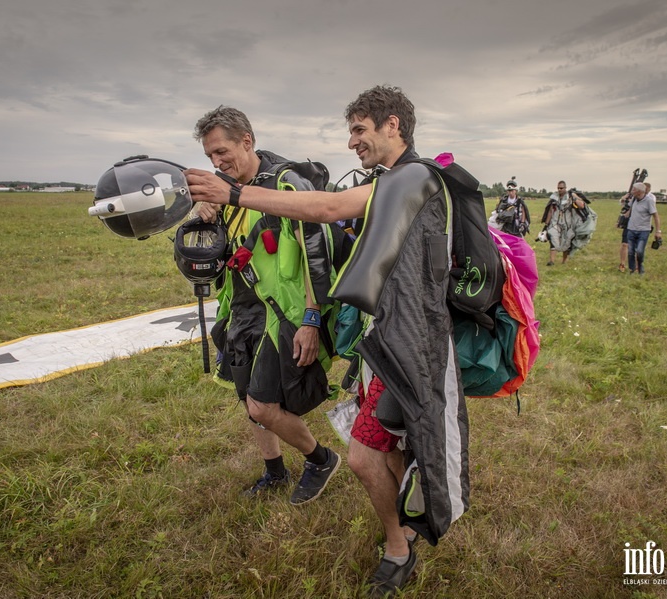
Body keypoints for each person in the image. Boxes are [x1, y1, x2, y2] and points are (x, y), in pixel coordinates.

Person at [187, 85, 467, 597]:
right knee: (394, 441)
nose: (351, 142)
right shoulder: (389, 181)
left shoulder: (416, 177)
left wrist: (230, 192)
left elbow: (328, 207)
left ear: (393, 126)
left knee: (362, 455)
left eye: (359, 130)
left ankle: (398, 548)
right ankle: (407, 525)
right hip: (383, 337)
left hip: (413, 342)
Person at [192, 105, 341, 505]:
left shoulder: (286, 184)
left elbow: (317, 253)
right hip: (240, 307)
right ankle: (274, 470)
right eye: (210, 156)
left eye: (222, 151)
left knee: (262, 404)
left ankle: (320, 459)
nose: (217, 162)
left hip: (284, 312)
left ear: (247, 141)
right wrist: (204, 215)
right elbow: (211, 254)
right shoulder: (222, 193)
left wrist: (312, 318)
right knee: (248, 399)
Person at [541, 181, 596, 265]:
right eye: (558, 188)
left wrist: (574, 196)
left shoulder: (570, 197)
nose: (559, 190)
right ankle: (551, 261)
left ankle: (564, 261)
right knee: (553, 238)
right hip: (555, 223)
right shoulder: (554, 198)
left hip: (568, 224)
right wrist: (546, 225)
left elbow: (581, 206)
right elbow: (550, 212)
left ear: (565, 188)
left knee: (566, 242)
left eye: (561, 188)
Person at [626, 181, 662, 275]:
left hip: (643, 230)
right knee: (630, 251)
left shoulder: (649, 201)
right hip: (631, 229)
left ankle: (640, 267)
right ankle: (632, 269)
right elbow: (628, 210)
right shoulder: (633, 199)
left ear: (639, 191)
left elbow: (656, 216)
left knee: (640, 251)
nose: (632, 191)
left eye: (634, 189)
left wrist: (658, 231)